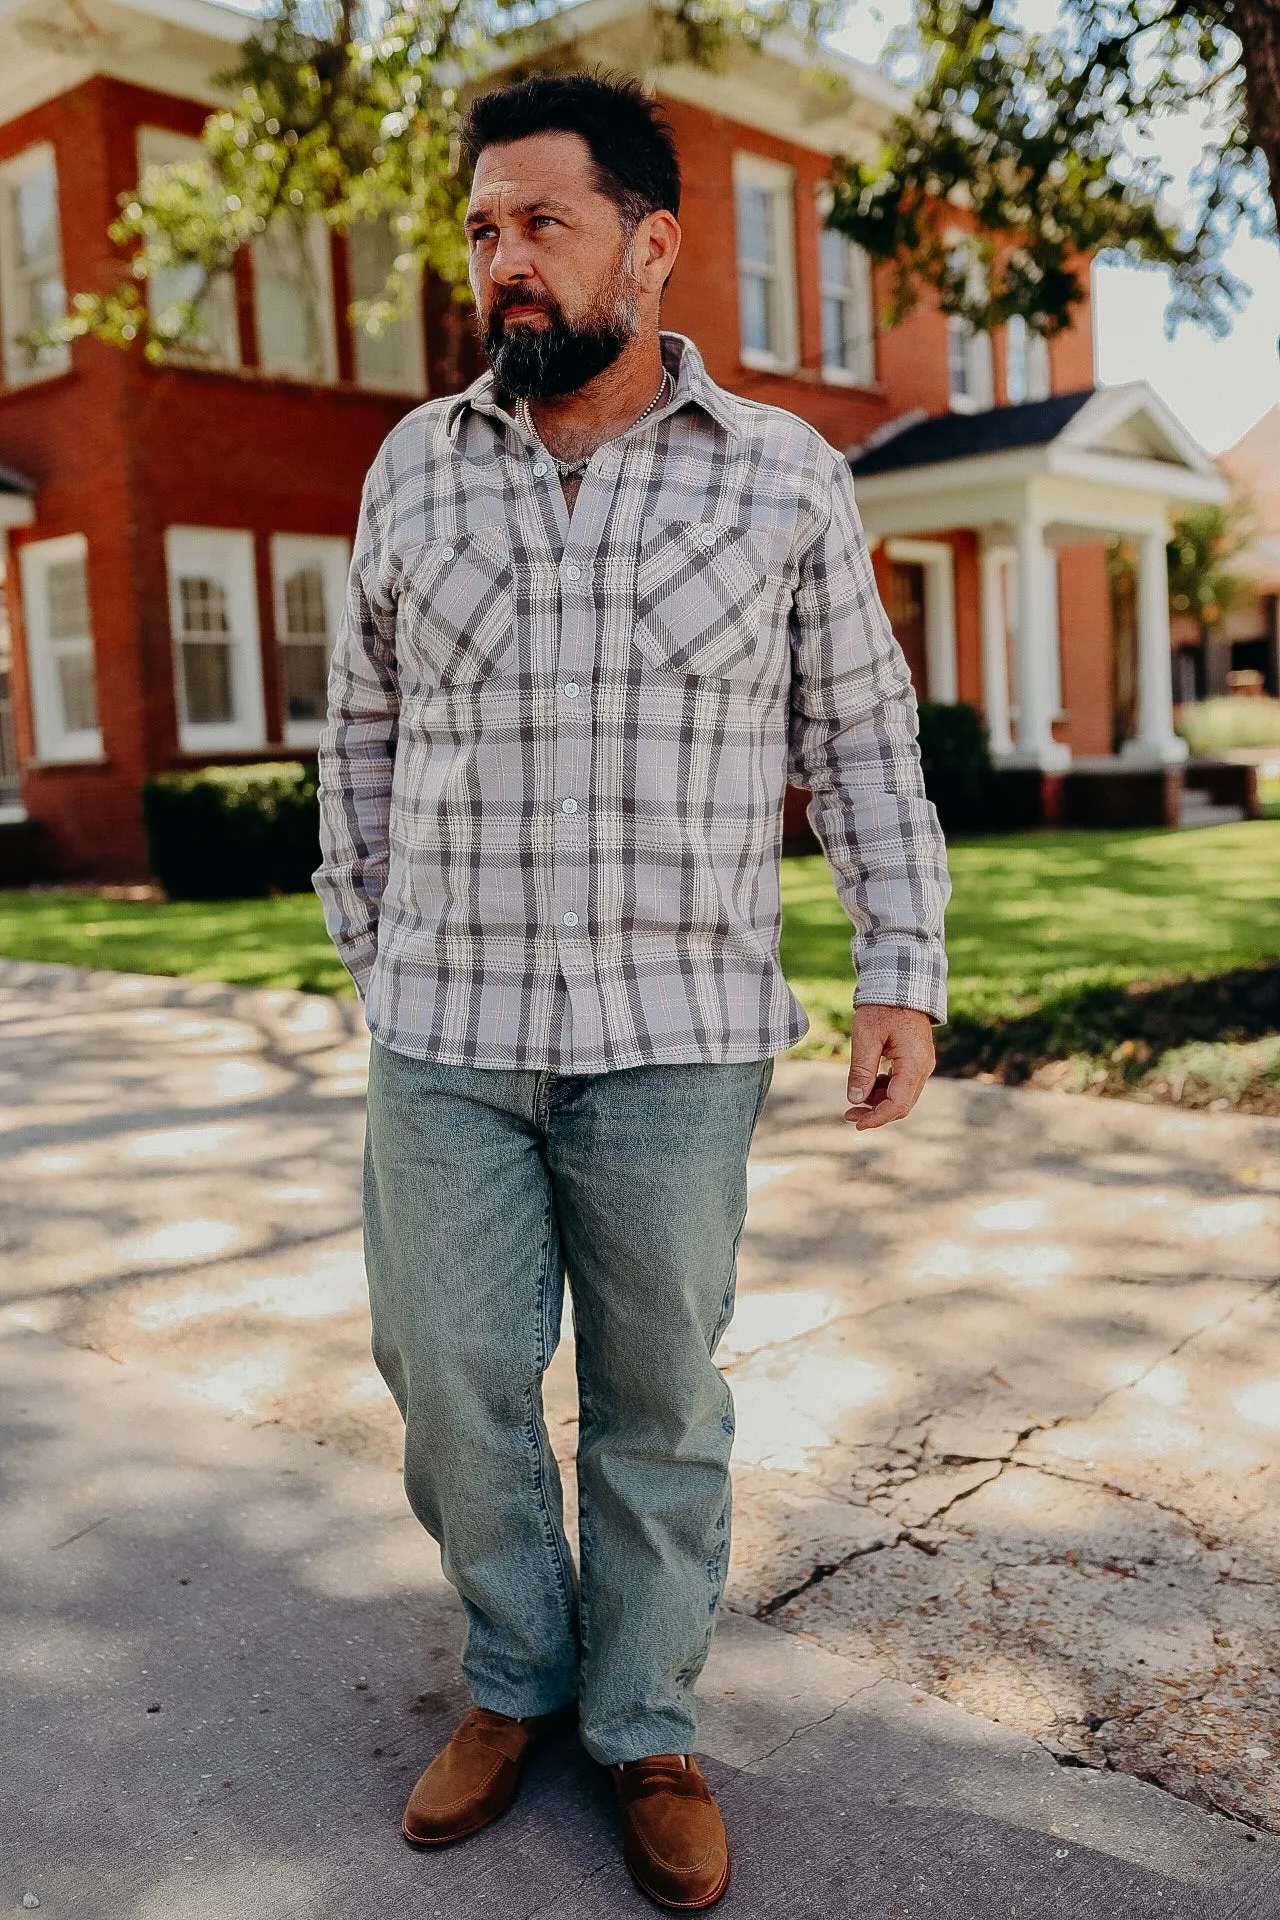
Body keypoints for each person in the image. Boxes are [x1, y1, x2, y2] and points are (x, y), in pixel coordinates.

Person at [315, 70, 950, 1913]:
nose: (504, 264)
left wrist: (896, 971)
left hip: (676, 1043)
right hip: (449, 1034)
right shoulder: (413, 466)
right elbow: (357, 736)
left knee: (662, 1394)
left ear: (652, 244)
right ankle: (521, 1675)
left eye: (544, 225)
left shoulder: (785, 476)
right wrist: (380, 945)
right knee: (447, 1380)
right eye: (485, 230)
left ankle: (645, 1718)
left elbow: (863, 733)